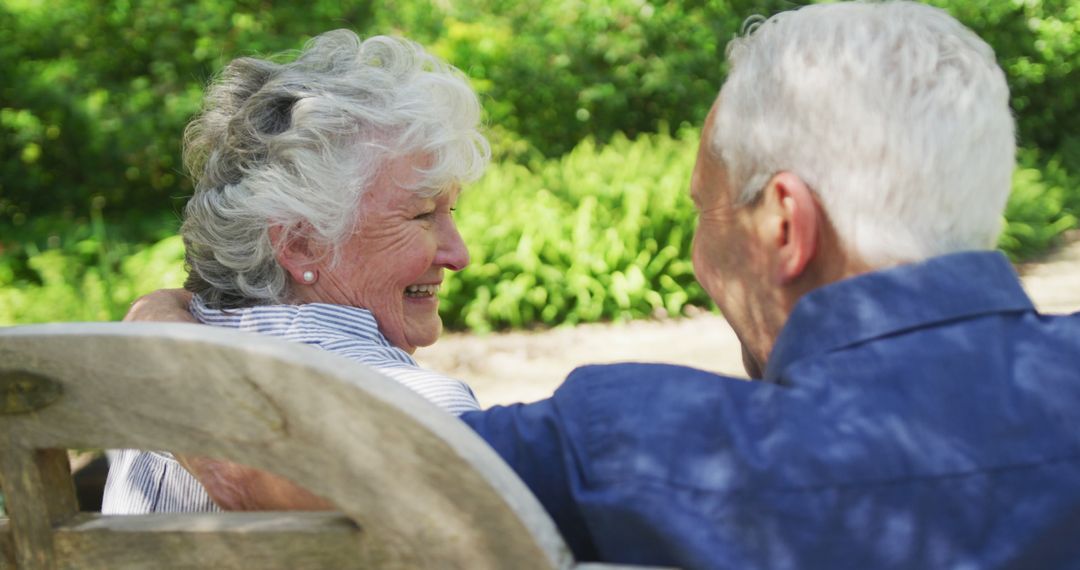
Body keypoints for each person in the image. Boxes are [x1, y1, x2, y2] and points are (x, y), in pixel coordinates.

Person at [127, 1, 1080, 567]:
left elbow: (284, 465)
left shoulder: (649, 442)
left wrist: (150, 330)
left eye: (707, 214)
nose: (706, 262)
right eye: (427, 214)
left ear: (785, 227)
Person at [102, 29, 491, 514]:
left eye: (450, 213)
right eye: (421, 215)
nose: (459, 254)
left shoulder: (144, 370)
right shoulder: (416, 413)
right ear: (301, 244)